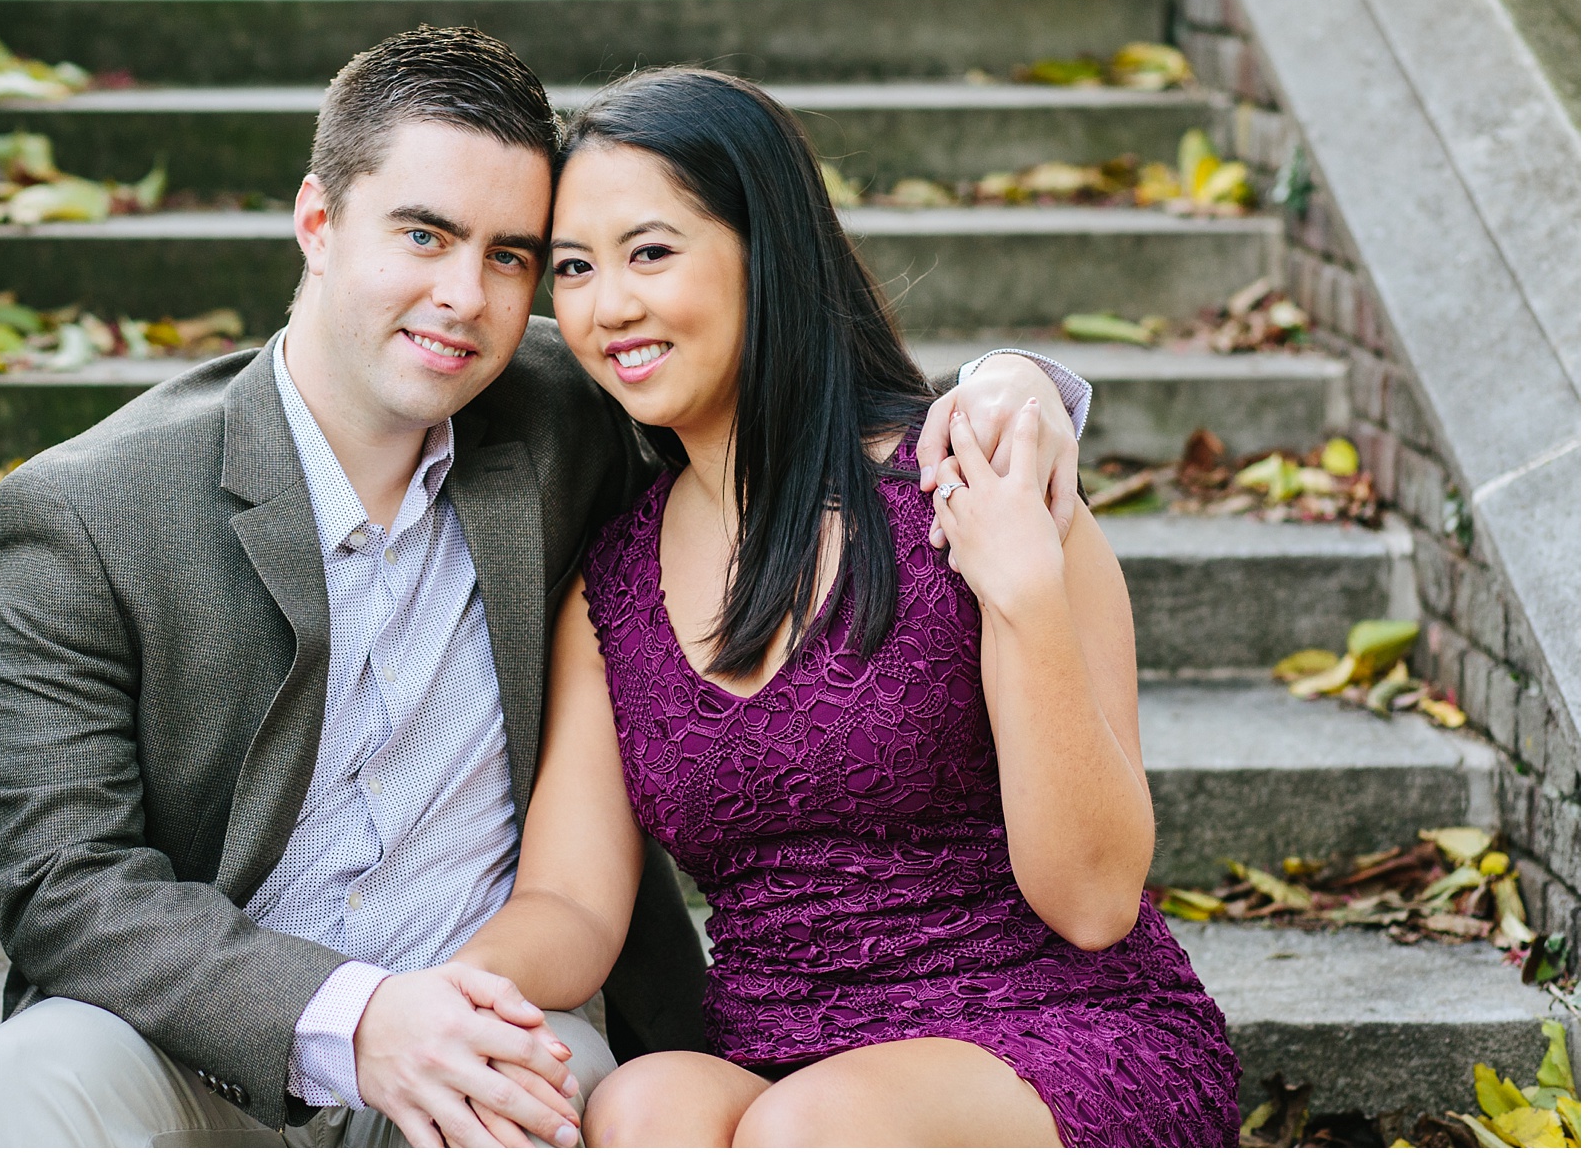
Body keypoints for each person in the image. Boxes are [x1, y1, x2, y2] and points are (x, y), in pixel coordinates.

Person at [0, 28, 1095, 1148]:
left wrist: (1014, 384)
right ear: (317, 222)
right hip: (206, 1041)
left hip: (499, 1025)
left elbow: (771, 399)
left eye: (511, 256)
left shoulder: (562, 413)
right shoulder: (86, 512)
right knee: (18, 1077)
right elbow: (59, 880)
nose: (463, 296)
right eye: (424, 234)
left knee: (537, 1104)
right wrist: (354, 1017)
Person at [450, 67, 1241, 1148]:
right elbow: (574, 903)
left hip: (1053, 1034)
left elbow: (1096, 896)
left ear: (763, 251)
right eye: (574, 268)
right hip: (778, 1056)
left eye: (649, 251)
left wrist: (1020, 591)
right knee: (645, 1103)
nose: (604, 306)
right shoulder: (614, 579)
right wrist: (440, 989)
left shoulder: (970, 487)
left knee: (808, 1129)